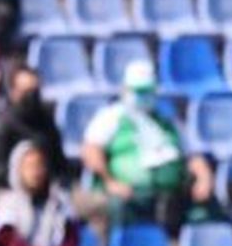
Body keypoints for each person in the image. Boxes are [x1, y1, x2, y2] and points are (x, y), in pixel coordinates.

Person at [80, 61, 214, 235]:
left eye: (148, 91)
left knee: (204, 212)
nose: (145, 96)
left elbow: (191, 155)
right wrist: (110, 182)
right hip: (131, 194)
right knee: (119, 209)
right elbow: (91, 151)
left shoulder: (167, 118)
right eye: (139, 91)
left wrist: (204, 178)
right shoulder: (112, 117)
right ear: (126, 90)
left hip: (171, 193)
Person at [0, 65, 64, 187]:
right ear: (13, 92)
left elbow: (59, 163)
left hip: (50, 191)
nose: (32, 97)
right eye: (26, 92)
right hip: (10, 193)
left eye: (35, 91)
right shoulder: (1, 126)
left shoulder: (46, 121)